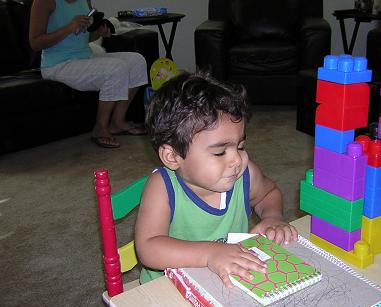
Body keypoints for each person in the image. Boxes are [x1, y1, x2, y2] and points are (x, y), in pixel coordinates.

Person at [135, 72, 298, 286]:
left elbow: (268, 194)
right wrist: (210, 254)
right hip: (170, 288)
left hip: (228, 279)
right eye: (220, 152)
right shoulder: (162, 187)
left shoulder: (245, 173)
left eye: (240, 146)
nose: (236, 160)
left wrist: (273, 217)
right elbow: (149, 248)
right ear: (173, 156)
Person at [29, 0, 148, 148]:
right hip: (57, 64)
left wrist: (98, 32)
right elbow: (35, 42)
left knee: (137, 61)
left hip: (84, 57)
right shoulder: (43, 2)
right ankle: (100, 128)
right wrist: (68, 28)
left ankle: (117, 122)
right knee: (116, 67)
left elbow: (86, 36)